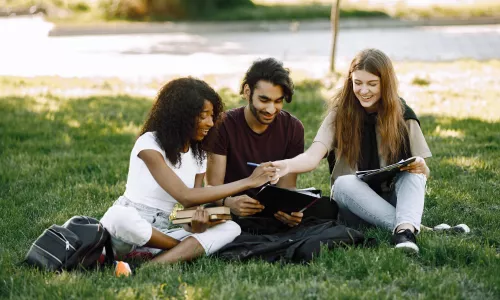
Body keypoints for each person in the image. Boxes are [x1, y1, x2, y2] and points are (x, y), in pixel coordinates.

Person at [100, 77, 278, 274]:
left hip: (160, 232)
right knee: (120, 217)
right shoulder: (149, 143)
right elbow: (184, 195)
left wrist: (197, 224)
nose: (210, 122)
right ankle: (178, 250)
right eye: (203, 116)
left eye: (212, 115)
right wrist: (249, 182)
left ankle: (150, 265)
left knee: (231, 228)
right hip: (123, 232)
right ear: (181, 116)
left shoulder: (198, 155)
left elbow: (189, 210)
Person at [271, 49, 432, 253]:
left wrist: (422, 167)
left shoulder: (404, 116)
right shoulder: (340, 114)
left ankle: (404, 232)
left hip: (390, 197)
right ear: (350, 81)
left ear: (386, 84)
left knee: (414, 173)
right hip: (351, 203)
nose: (363, 90)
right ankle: (411, 228)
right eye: (358, 83)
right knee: (344, 181)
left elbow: (423, 177)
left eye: (372, 84)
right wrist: (285, 165)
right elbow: (312, 157)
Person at [202, 58, 310, 230]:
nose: (271, 109)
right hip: (229, 210)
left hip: (269, 213)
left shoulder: (293, 128)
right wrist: (228, 202)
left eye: (278, 101)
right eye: (264, 100)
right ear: (247, 91)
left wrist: (289, 211)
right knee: (211, 217)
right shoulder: (223, 125)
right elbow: (213, 187)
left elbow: (287, 186)